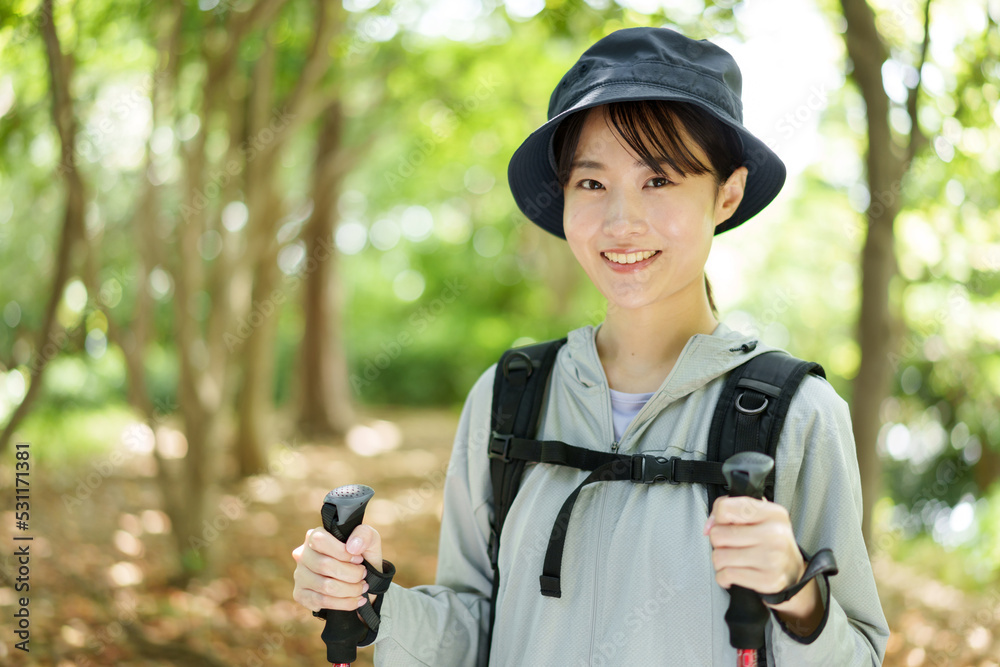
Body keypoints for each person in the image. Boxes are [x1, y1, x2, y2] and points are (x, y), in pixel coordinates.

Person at [293, 26, 890, 665]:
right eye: (592, 183)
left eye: (658, 181)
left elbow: (859, 651)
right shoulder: (509, 396)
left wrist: (795, 592)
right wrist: (371, 600)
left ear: (728, 193)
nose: (620, 222)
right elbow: (475, 628)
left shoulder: (795, 415)